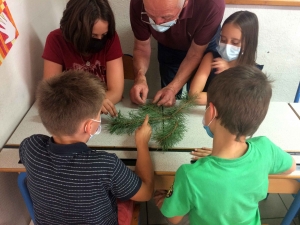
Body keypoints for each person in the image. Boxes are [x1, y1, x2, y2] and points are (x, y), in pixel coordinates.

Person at [154, 65, 296, 225]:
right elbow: (290, 167)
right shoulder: (266, 148)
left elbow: (174, 218)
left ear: (211, 111)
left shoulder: (190, 175)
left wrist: (162, 201)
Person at [19, 70, 154, 225]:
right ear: (89, 126)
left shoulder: (31, 147)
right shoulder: (105, 165)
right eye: (98, 115)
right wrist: (142, 144)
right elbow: (146, 192)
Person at [129, 0, 225, 107]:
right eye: (150, 16)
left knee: (200, 99)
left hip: (203, 45)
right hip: (168, 45)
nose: (157, 23)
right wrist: (140, 77)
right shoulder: (137, 3)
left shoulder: (212, 4)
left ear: (185, 2)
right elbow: (141, 48)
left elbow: (195, 54)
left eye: (166, 17)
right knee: (167, 97)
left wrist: (173, 88)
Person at [42, 0, 123, 117]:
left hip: (95, 113)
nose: (100, 40)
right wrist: (93, 104)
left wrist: (96, 104)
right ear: (76, 30)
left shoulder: (111, 38)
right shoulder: (56, 40)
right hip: (69, 115)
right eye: (93, 36)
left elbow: (116, 91)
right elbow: (50, 92)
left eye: (103, 35)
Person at [189, 11, 263, 105]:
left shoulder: (254, 72)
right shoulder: (211, 59)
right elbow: (194, 96)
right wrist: (232, 99)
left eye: (235, 42)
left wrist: (230, 73)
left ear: (249, 43)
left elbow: (247, 101)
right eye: (223, 40)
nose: (227, 46)